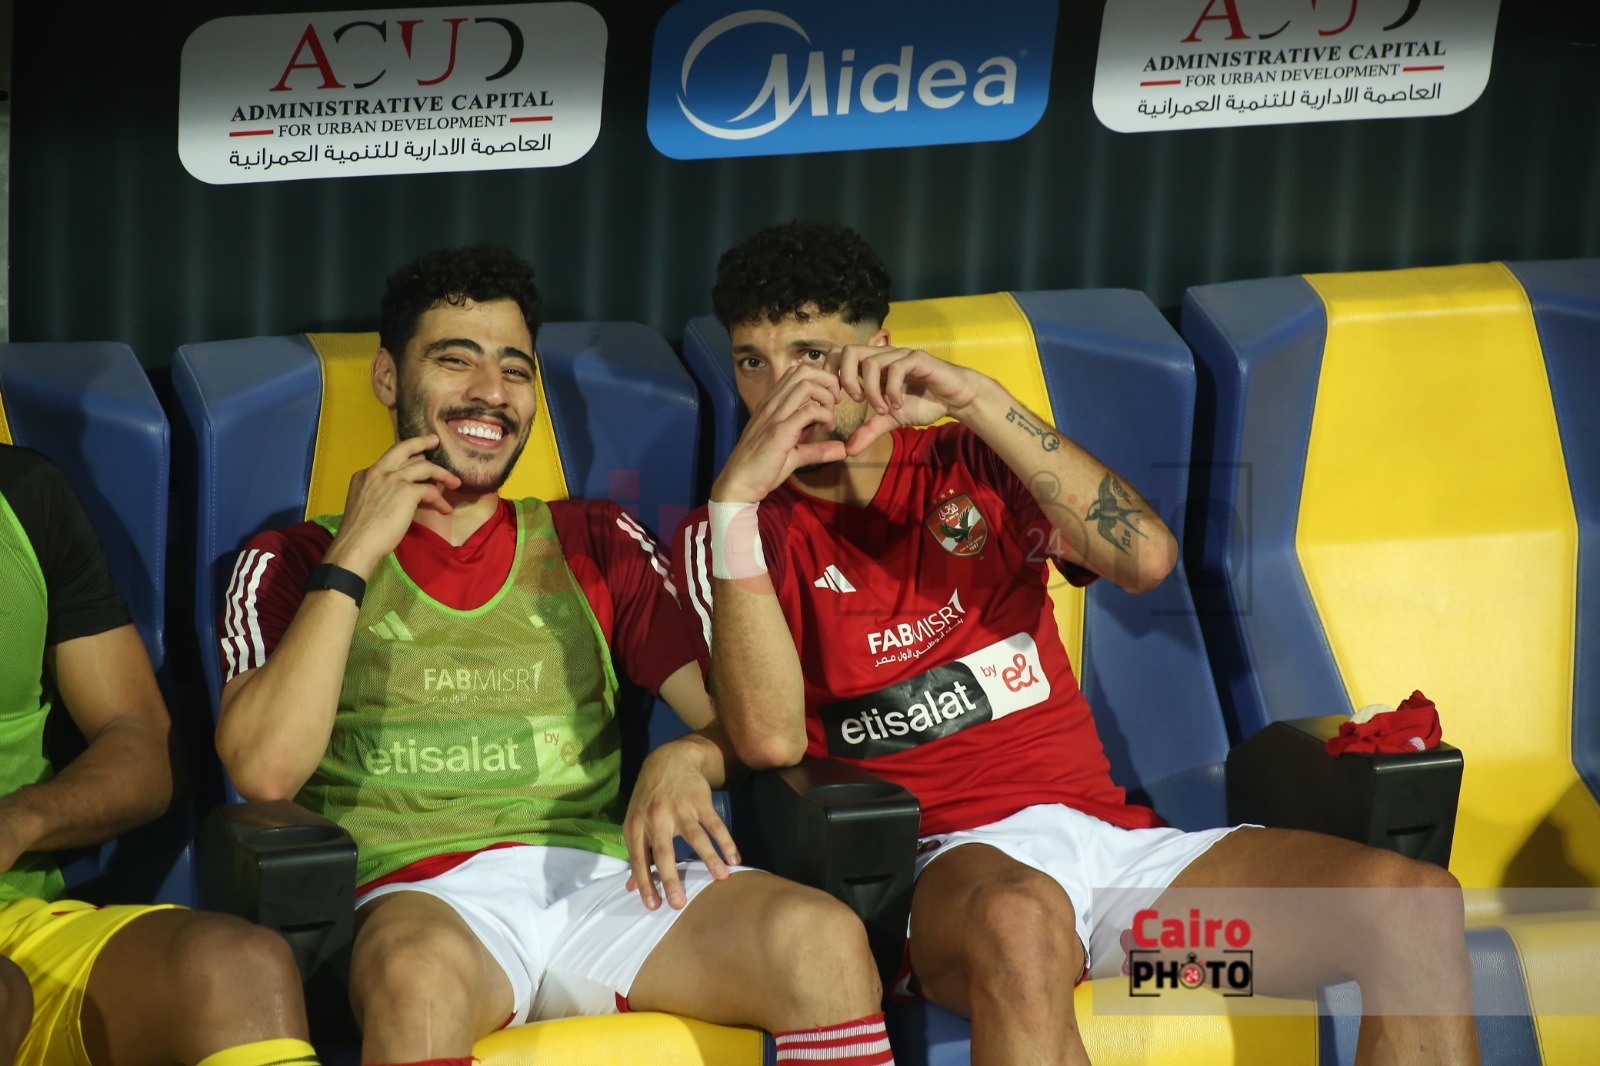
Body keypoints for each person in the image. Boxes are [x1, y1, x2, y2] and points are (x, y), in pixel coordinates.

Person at [675, 220, 1479, 1065]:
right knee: (1020, 925)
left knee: (1411, 908)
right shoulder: (731, 533)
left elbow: (1145, 557)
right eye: (751, 362)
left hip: (1130, 897)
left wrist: (978, 400)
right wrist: (735, 504)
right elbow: (769, 740)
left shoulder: (973, 463)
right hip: (952, 878)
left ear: (876, 354)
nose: (778, 390)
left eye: (808, 355)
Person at [215, 245, 893, 1066]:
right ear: (388, 378)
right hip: (418, 896)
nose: (490, 392)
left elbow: (754, 728)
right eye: (455, 360)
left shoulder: (593, 539)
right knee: (417, 980)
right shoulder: (291, 560)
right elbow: (265, 771)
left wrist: (688, 755)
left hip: (605, 883)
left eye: (515, 369)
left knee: (822, 940)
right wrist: (354, 554)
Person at [0, 442, 318, 1066]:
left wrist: (18, 820)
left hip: (21, 925)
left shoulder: (25, 493)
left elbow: (144, 747)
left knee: (239, 967)